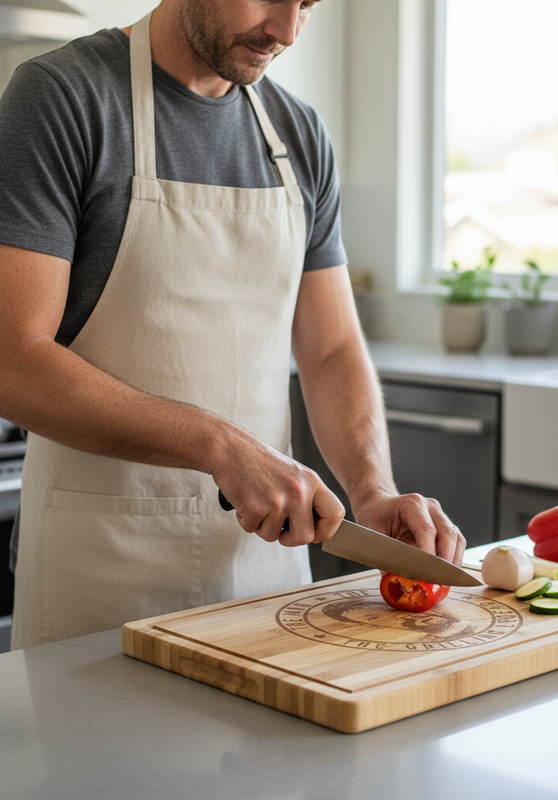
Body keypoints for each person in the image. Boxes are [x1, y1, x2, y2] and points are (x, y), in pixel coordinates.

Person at [0, 0, 465, 650]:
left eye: (307, 4)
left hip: (268, 585)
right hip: (103, 585)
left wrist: (371, 489)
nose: (286, 30)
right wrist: (221, 447)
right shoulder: (63, 98)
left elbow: (330, 349)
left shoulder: (298, 133)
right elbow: (13, 361)